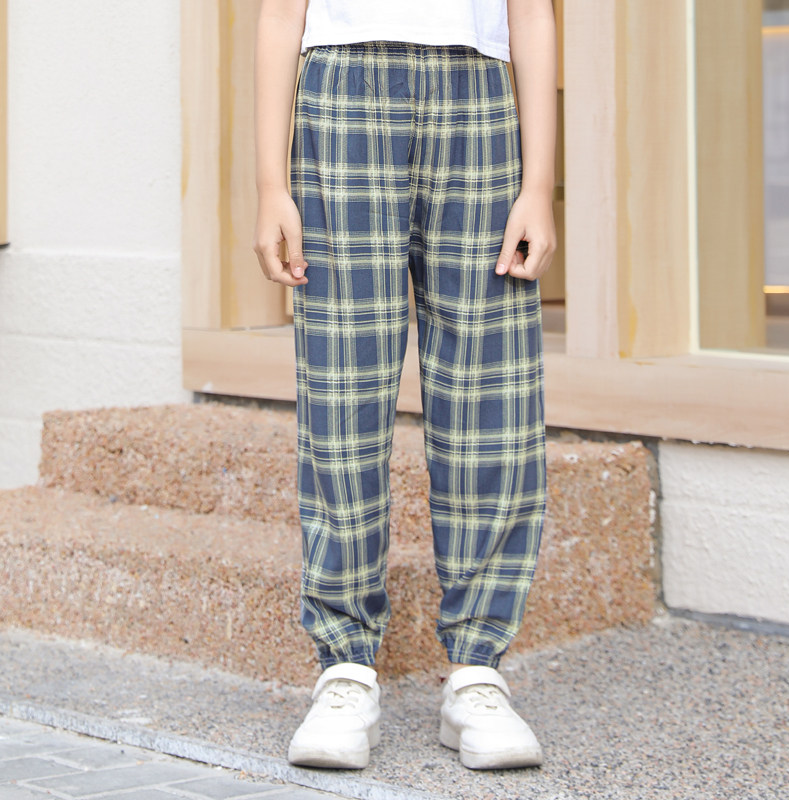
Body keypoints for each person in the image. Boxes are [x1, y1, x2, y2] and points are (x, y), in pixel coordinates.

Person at [253, 0, 557, 771]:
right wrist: (269, 185)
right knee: (342, 388)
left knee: (491, 391)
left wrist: (540, 185)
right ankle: (345, 669)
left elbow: (533, 12)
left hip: (479, 92)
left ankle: (478, 671)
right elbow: (280, 11)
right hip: (342, 89)